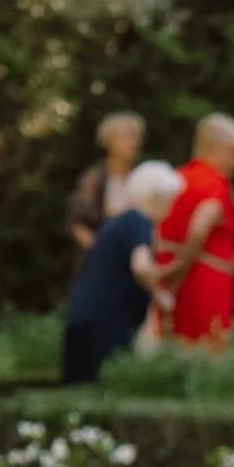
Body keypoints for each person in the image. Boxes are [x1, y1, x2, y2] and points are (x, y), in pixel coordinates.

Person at [62, 162, 182, 385]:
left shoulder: (118, 223)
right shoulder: (139, 223)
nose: (170, 209)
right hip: (108, 323)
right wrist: (160, 294)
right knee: (103, 390)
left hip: (82, 316)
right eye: (170, 201)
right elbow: (141, 266)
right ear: (157, 197)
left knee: (76, 395)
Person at [156, 114, 234, 352]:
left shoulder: (176, 179)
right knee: (207, 349)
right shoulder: (214, 185)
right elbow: (199, 229)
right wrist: (180, 266)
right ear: (212, 148)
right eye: (233, 153)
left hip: (168, 274)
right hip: (206, 281)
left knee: (172, 342)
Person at [66, 112, 145, 264]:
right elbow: (77, 223)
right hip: (102, 262)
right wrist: (99, 250)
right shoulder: (94, 179)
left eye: (135, 137)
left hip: (136, 262)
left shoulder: (142, 178)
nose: (132, 143)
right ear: (108, 142)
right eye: (125, 138)